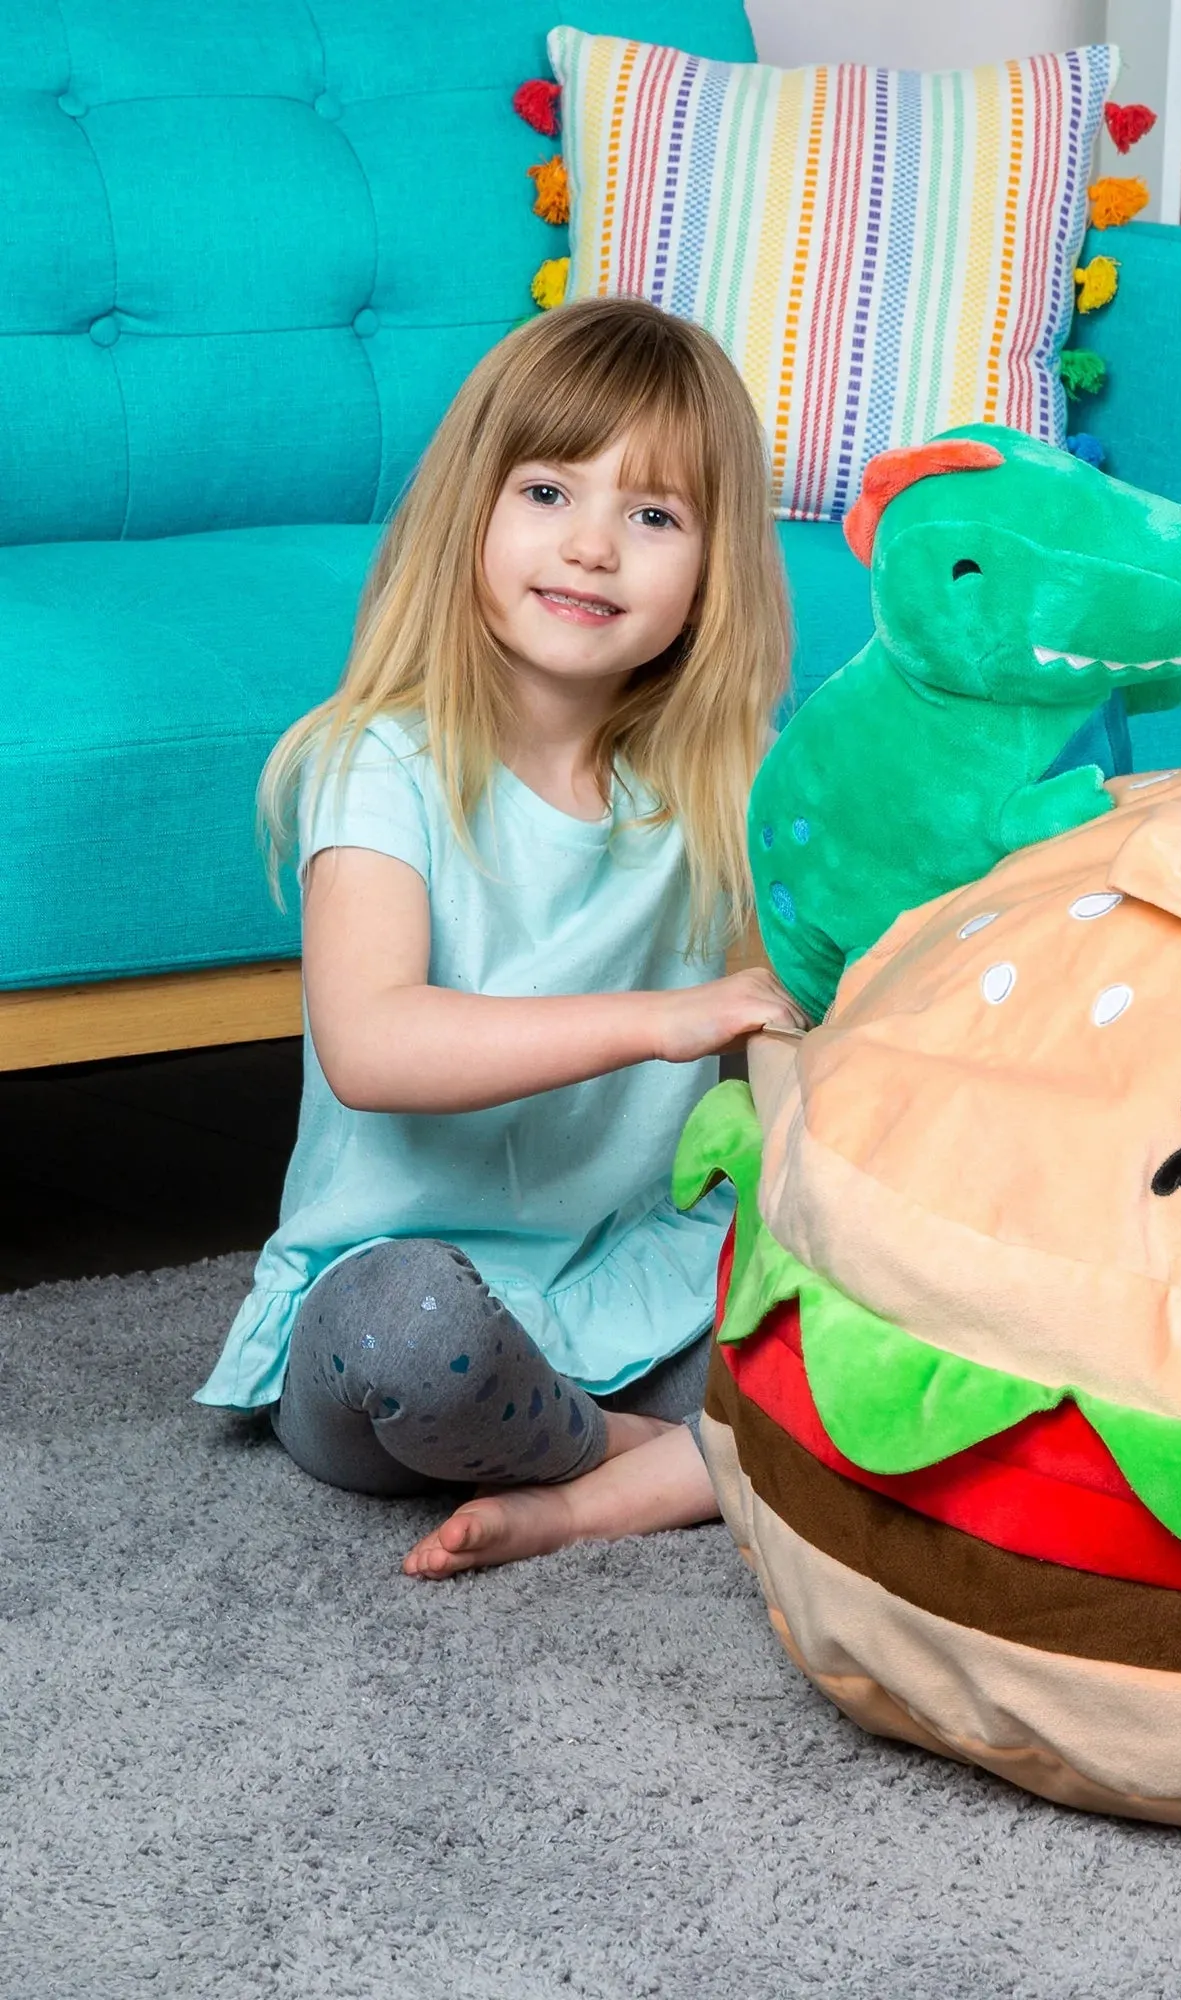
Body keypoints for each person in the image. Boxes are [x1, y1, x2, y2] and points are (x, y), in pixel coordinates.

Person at [197, 298, 806, 1577]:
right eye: (546, 490)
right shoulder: (378, 760)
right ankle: (643, 1455)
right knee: (410, 1332)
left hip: (628, 1276)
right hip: (396, 1305)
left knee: (855, 1305)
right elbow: (373, 1043)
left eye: (654, 515)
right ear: (469, 511)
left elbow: (823, 988)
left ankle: (578, 1497)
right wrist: (665, 1020)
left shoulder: (720, 783)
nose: (592, 547)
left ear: (711, 574)